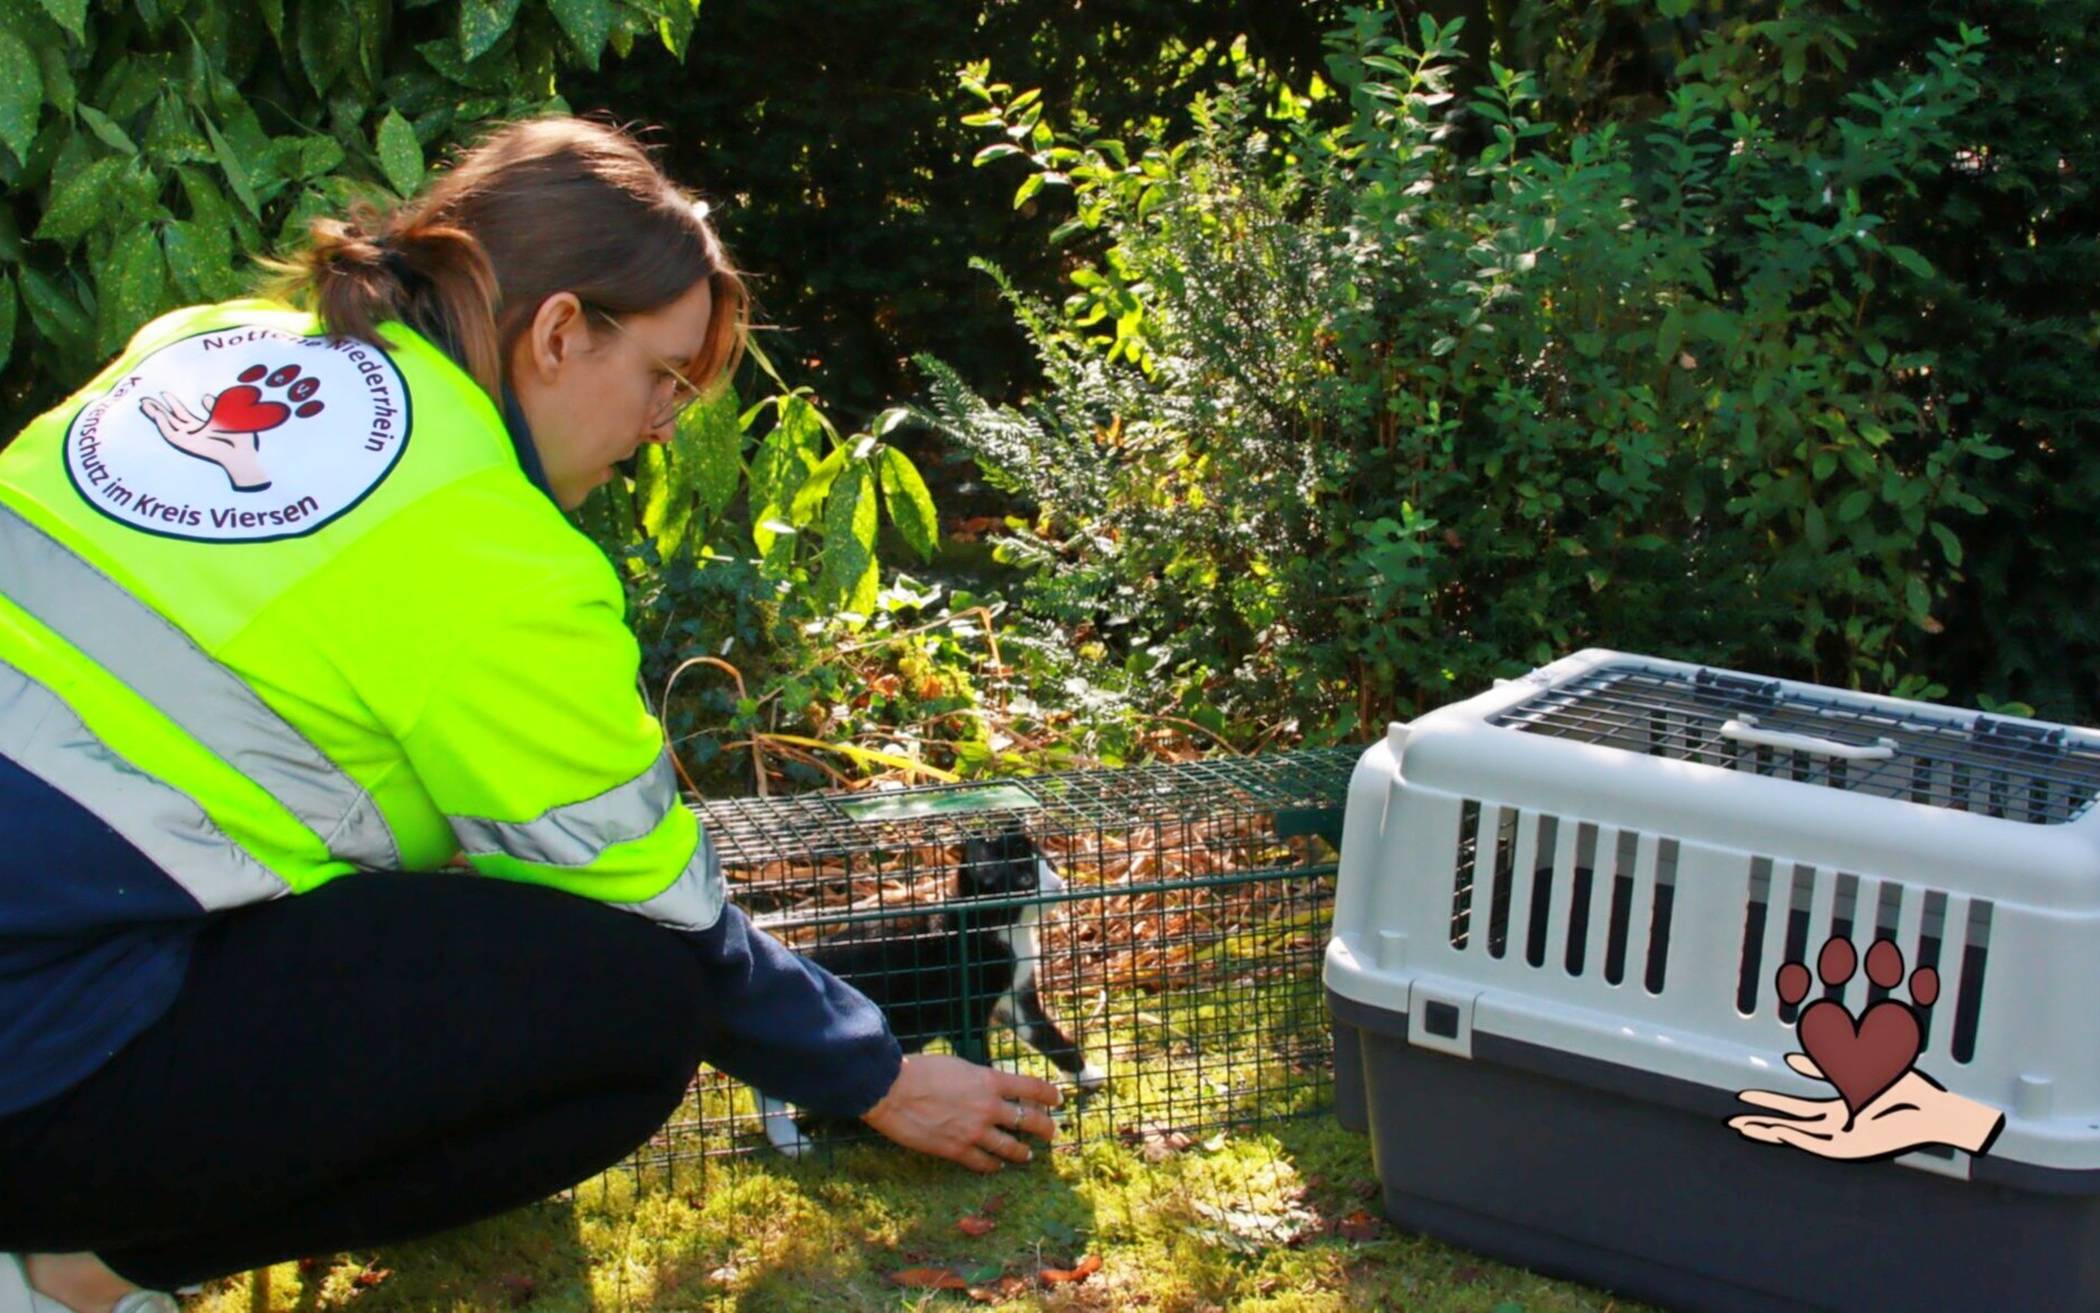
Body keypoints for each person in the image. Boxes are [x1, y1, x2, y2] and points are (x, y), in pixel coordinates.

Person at [0, 116, 1062, 1313]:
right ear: (559, 331)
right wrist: (874, 1073)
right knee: (629, 1009)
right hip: (35, 1053)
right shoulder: (489, 543)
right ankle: (67, 1271)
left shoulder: (206, 344)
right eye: (662, 376)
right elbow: (662, 910)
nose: (666, 423)